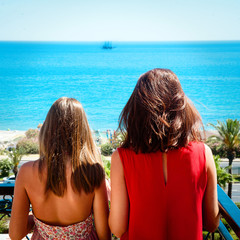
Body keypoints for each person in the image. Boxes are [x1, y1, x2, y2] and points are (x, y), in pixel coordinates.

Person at [109, 69, 220, 240]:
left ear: (137, 109)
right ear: (181, 106)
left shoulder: (122, 158)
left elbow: (117, 228)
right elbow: (212, 223)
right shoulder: (204, 154)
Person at [9, 97, 111, 240]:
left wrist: (35, 219)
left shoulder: (26, 172)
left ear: (48, 129)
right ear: (82, 130)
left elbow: (15, 234)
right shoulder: (93, 172)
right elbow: (104, 235)